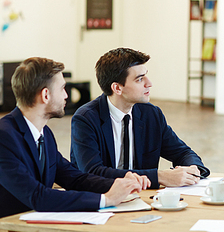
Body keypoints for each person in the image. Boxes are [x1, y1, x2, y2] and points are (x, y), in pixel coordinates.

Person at [0, 57, 149, 219]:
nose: (66, 96)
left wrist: (119, 183)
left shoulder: (45, 133)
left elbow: (74, 178)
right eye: (63, 88)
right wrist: (105, 200)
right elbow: (37, 196)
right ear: (45, 95)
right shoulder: (4, 137)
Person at [70, 47, 210, 189]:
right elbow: (92, 173)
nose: (149, 83)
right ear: (117, 88)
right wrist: (159, 177)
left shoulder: (151, 114)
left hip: (142, 198)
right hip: (102, 199)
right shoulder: (86, 119)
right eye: (140, 79)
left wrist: (193, 169)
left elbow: (183, 152)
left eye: (146, 76)